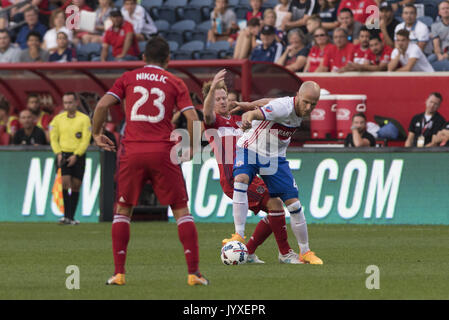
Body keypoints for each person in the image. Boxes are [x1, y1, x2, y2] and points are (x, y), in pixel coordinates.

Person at [91, 36, 208, 286]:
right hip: (162, 152)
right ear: (168, 60)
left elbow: (102, 105)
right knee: (181, 211)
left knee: (123, 211)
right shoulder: (174, 81)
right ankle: (194, 273)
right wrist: (192, 147)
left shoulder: (128, 78)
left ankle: (119, 273)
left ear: (143, 58)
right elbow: (193, 118)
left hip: (131, 151)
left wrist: (96, 134)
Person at [203, 69, 300, 264]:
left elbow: (273, 106)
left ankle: (249, 252)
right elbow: (205, 113)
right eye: (217, 98)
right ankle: (284, 253)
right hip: (234, 179)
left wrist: (251, 106)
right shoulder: (214, 123)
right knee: (276, 205)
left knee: (276, 210)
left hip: (252, 175)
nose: (222, 101)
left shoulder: (241, 120)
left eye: (224, 98)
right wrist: (212, 87)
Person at [230, 81, 324, 264]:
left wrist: (250, 103)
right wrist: (247, 115)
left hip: (274, 158)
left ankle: (305, 252)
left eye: (313, 104)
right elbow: (257, 112)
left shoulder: (292, 106)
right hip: (251, 149)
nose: (308, 107)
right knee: (240, 179)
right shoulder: (283, 108)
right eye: (305, 102)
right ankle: (239, 235)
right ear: (298, 95)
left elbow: (269, 101)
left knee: (294, 205)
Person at [49, 92, 92, 225]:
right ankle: (66, 216)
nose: (68, 105)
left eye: (70, 102)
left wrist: (77, 154)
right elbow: (53, 138)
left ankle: (71, 217)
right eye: (65, 103)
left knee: (76, 186)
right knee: (65, 182)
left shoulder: (84, 119)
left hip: (78, 155)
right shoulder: (58, 119)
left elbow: (86, 139)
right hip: (64, 154)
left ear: (76, 103)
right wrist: (58, 153)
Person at [429, 1, 449, 71]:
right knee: (428, 61)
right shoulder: (435, 26)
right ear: (439, 12)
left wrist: (447, 55)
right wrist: (439, 55)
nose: (445, 11)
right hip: (441, 52)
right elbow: (436, 45)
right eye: (443, 9)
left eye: (447, 8)